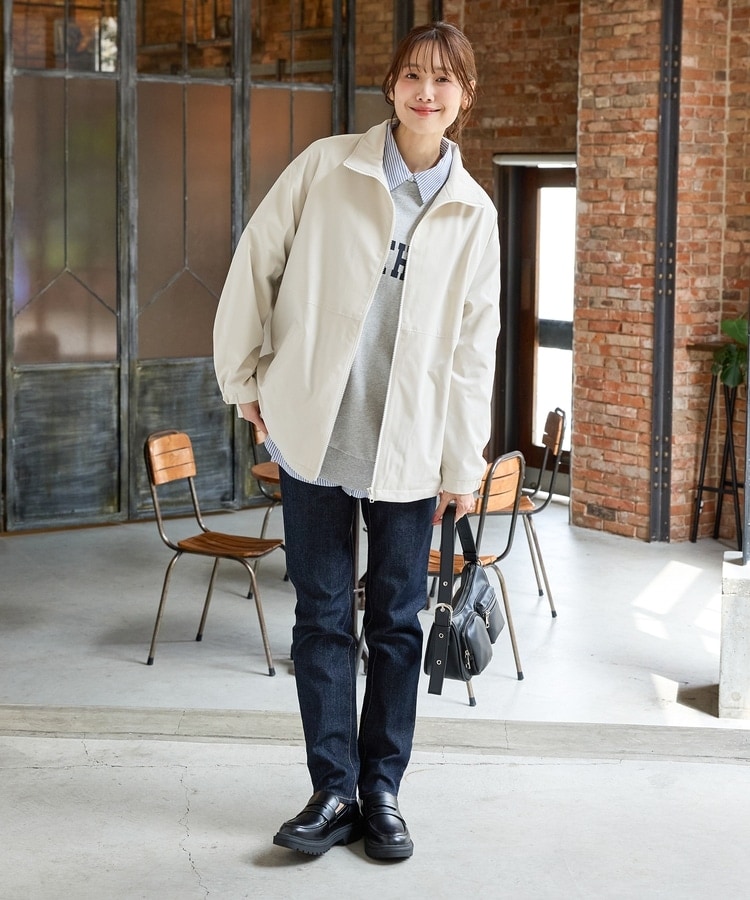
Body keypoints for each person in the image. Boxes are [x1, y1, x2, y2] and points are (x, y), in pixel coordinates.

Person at [213, 21, 500, 861]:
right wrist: (244, 379)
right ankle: (332, 789)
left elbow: (473, 350)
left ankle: (382, 792)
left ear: (465, 96)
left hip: (409, 450)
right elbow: (255, 262)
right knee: (323, 618)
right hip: (314, 434)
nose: (426, 93)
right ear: (392, 85)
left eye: (444, 80)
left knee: (398, 625)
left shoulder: (474, 214)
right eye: (412, 75)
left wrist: (463, 463)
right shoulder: (327, 167)